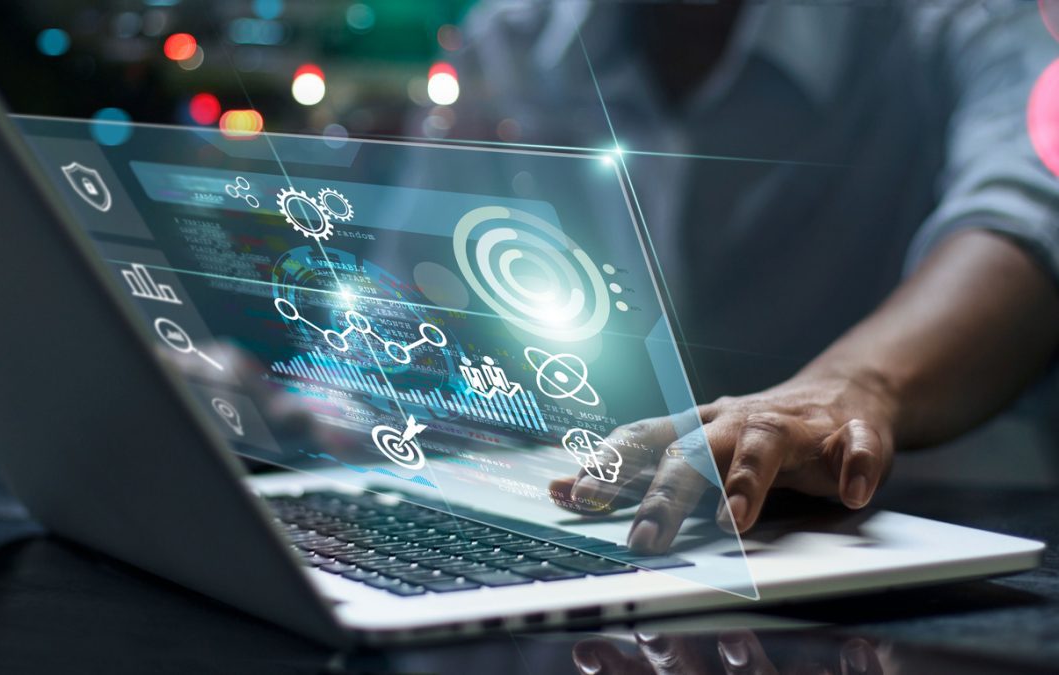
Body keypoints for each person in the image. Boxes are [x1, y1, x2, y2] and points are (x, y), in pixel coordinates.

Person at [430, 0, 1059, 553]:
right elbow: (431, 285)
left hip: (921, 521)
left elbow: (1026, 217)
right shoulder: (508, 41)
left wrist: (857, 387)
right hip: (625, 519)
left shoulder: (967, 18)